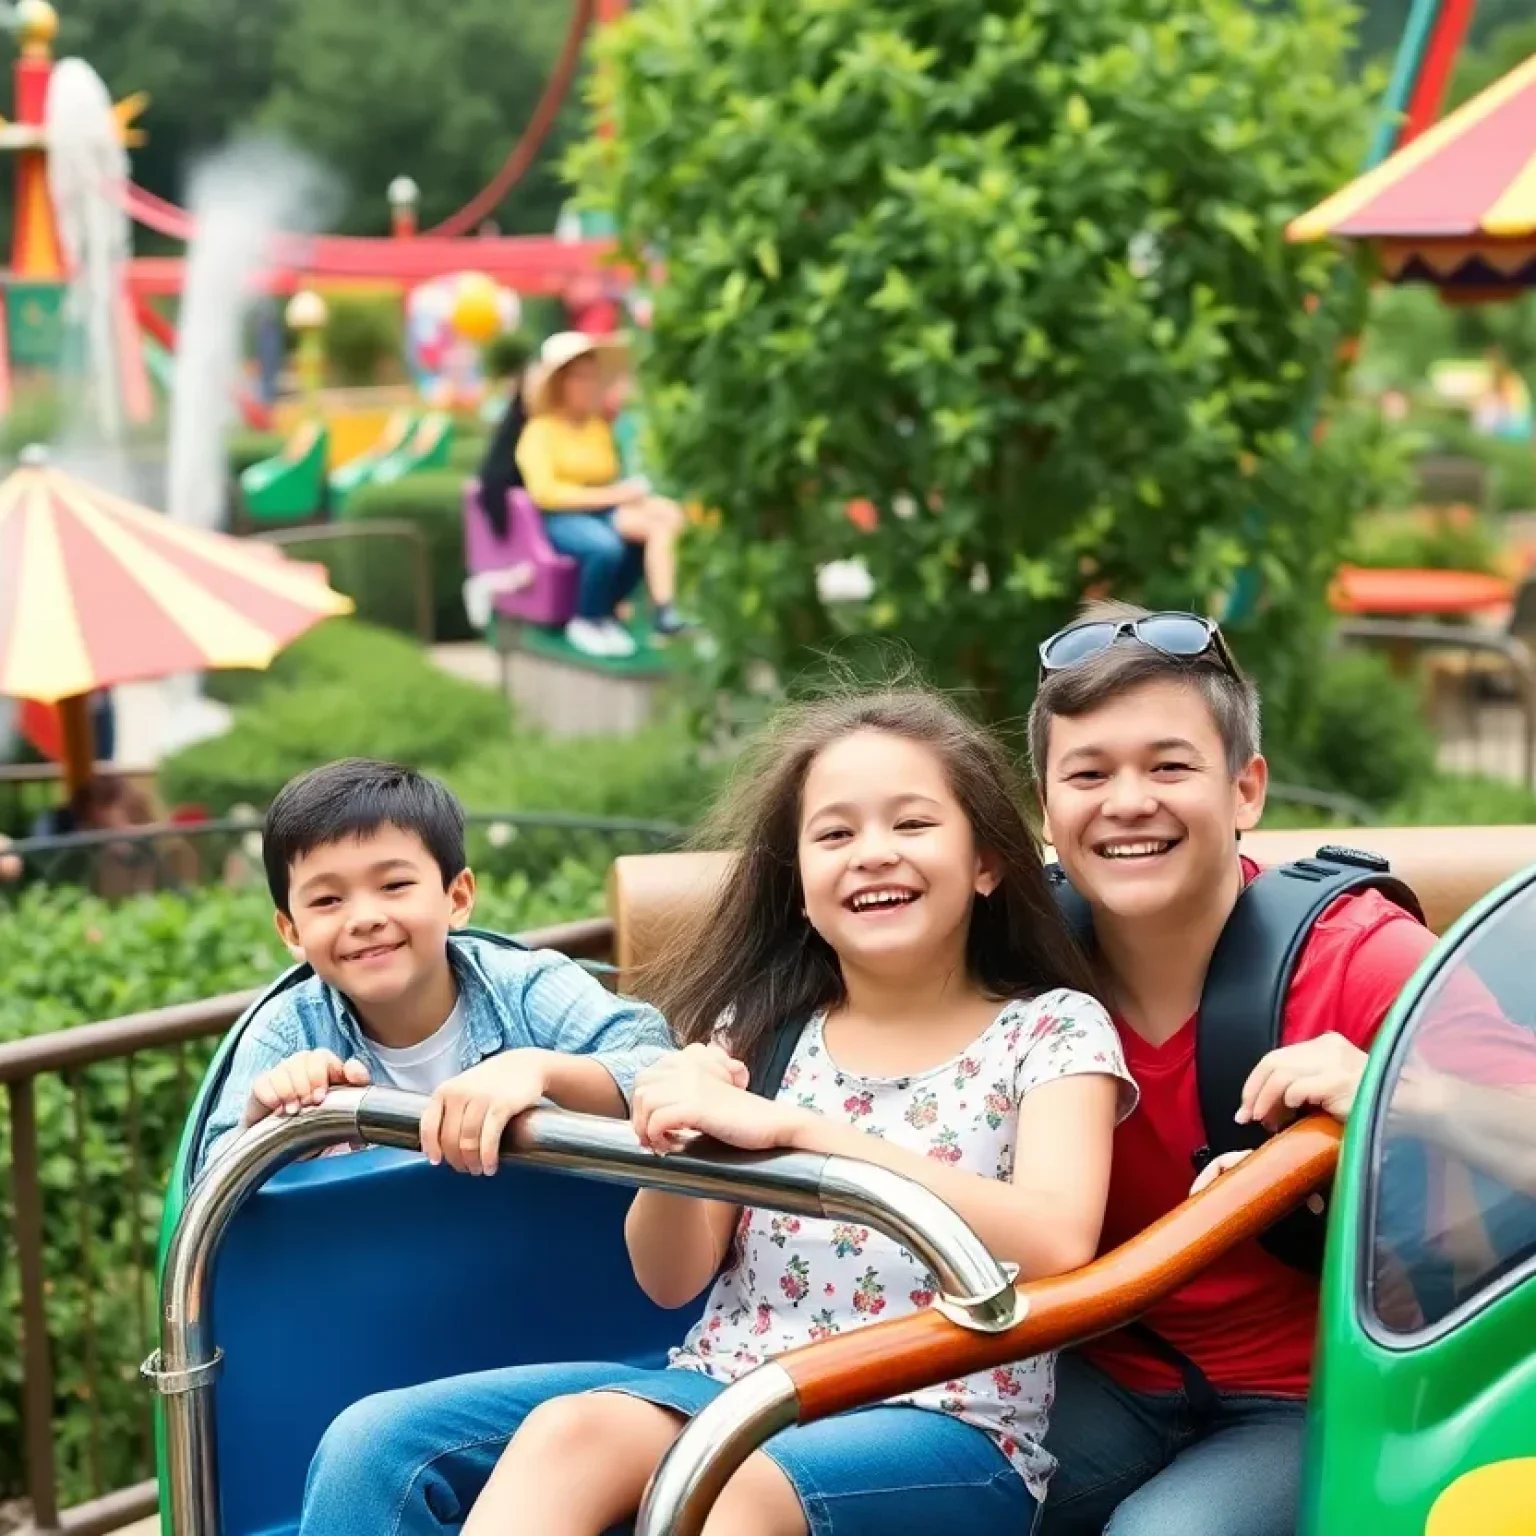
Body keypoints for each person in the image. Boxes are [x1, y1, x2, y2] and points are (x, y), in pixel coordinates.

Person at [298, 684, 1138, 1536]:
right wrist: (680, 1142)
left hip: (941, 1414)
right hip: (734, 1382)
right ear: (801, 886)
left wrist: (806, 1136)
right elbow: (670, 1277)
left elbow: (1058, 1244)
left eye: (913, 825)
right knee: (560, 1431)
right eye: (835, 834)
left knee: (730, 1483)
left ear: (986, 861)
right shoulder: (763, 1034)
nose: (873, 853)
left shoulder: (1050, 1029)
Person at [1026, 602, 1440, 1536]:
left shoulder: (1361, 957)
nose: (1128, 802)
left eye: (1170, 766)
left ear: (1246, 789)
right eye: (1088, 773)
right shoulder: (1015, 967)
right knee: (935, 1486)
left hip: (1313, 1396)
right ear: (1046, 809)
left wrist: (1397, 1094)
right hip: (1100, 1371)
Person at [194, 758, 670, 1177]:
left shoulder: (525, 987)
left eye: (394, 885)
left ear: (457, 897)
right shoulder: (286, 1031)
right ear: (292, 931)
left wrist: (540, 1071)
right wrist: (267, 1122)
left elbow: (660, 1065)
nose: (364, 919)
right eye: (327, 899)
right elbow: (209, 1181)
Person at [516, 330, 691, 658]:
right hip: (561, 517)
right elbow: (546, 493)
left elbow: (609, 479)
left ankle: (662, 611)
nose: (588, 385)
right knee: (604, 546)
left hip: (602, 510)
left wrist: (636, 498)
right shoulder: (539, 432)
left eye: (592, 377)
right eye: (579, 377)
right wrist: (612, 496)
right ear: (560, 383)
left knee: (661, 521)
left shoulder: (597, 428)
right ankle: (587, 617)